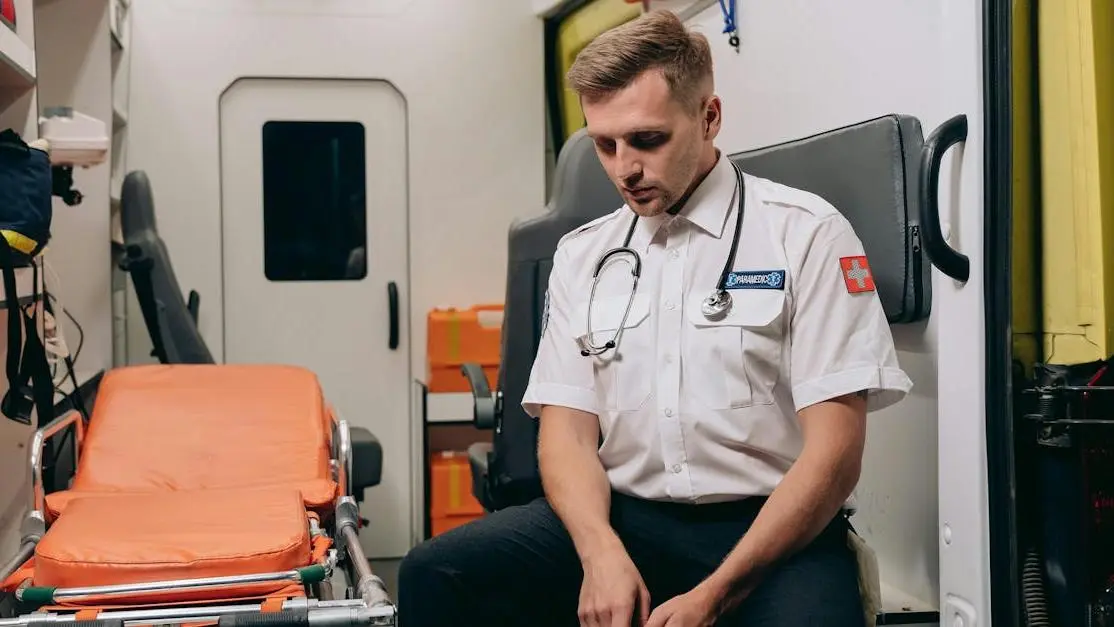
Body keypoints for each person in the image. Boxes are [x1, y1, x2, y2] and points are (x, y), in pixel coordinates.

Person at [398, 9, 912, 627]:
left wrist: (714, 595)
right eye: (604, 145)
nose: (623, 168)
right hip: (626, 518)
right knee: (435, 574)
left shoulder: (806, 235)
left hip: (775, 530)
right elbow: (565, 434)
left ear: (709, 117)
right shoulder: (585, 253)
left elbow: (835, 454)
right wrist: (599, 552)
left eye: (646, 140)